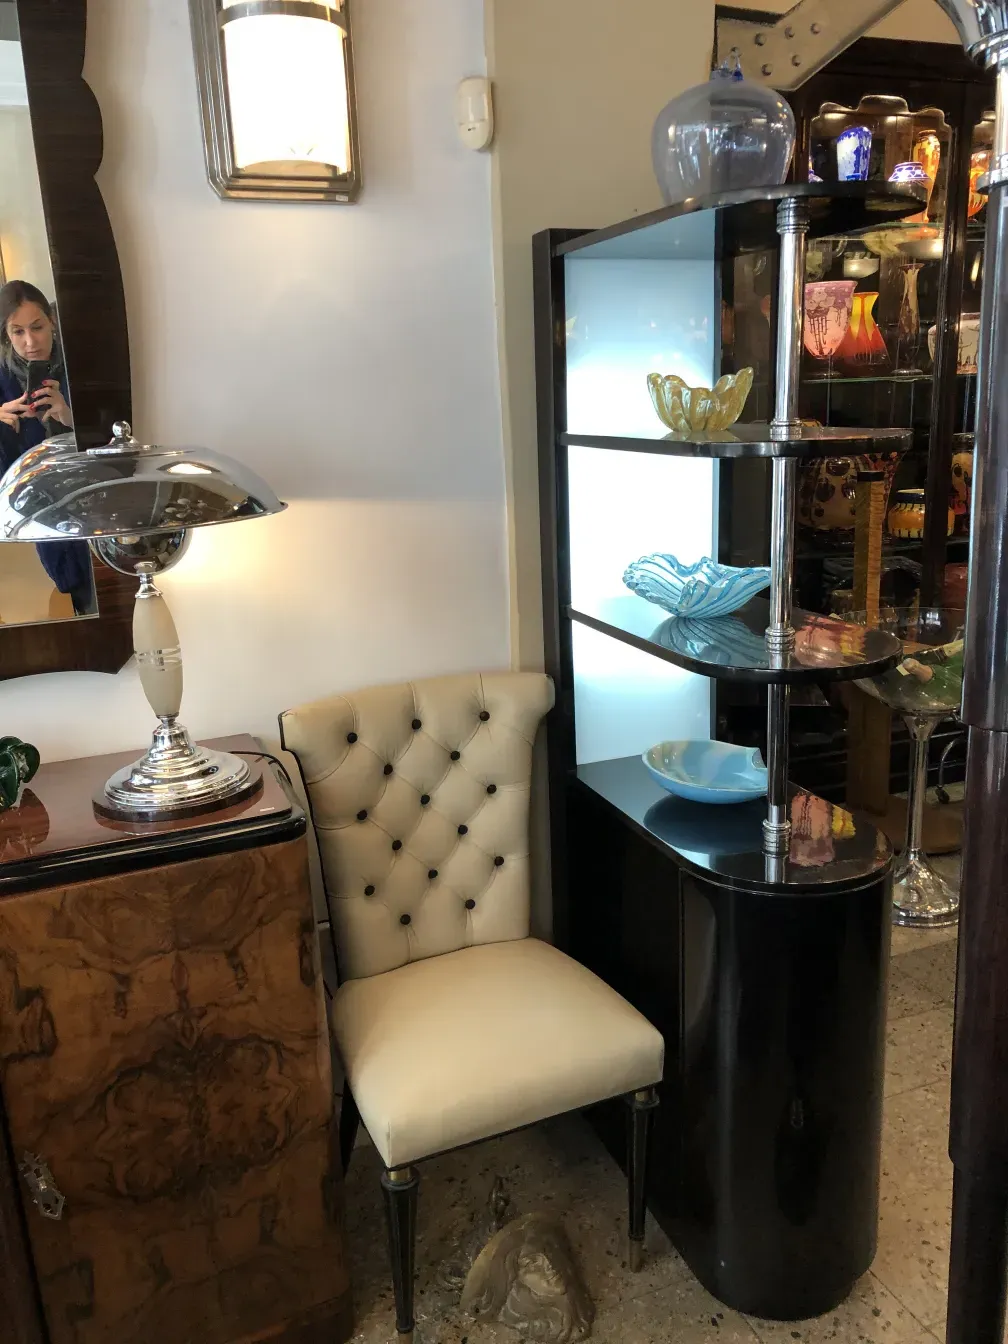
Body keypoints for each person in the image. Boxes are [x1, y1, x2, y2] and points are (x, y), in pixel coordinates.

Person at [0, 279, 92, 615]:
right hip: (47, 522)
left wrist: (70, 418)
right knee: (79, 599)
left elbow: (122, 443)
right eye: (17, 332)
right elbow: (6, 480)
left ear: (52, 321)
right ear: (7, 336)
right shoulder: (2, 381)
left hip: (98, 511)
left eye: (37, 327)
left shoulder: (86, 366)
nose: (30, 342)